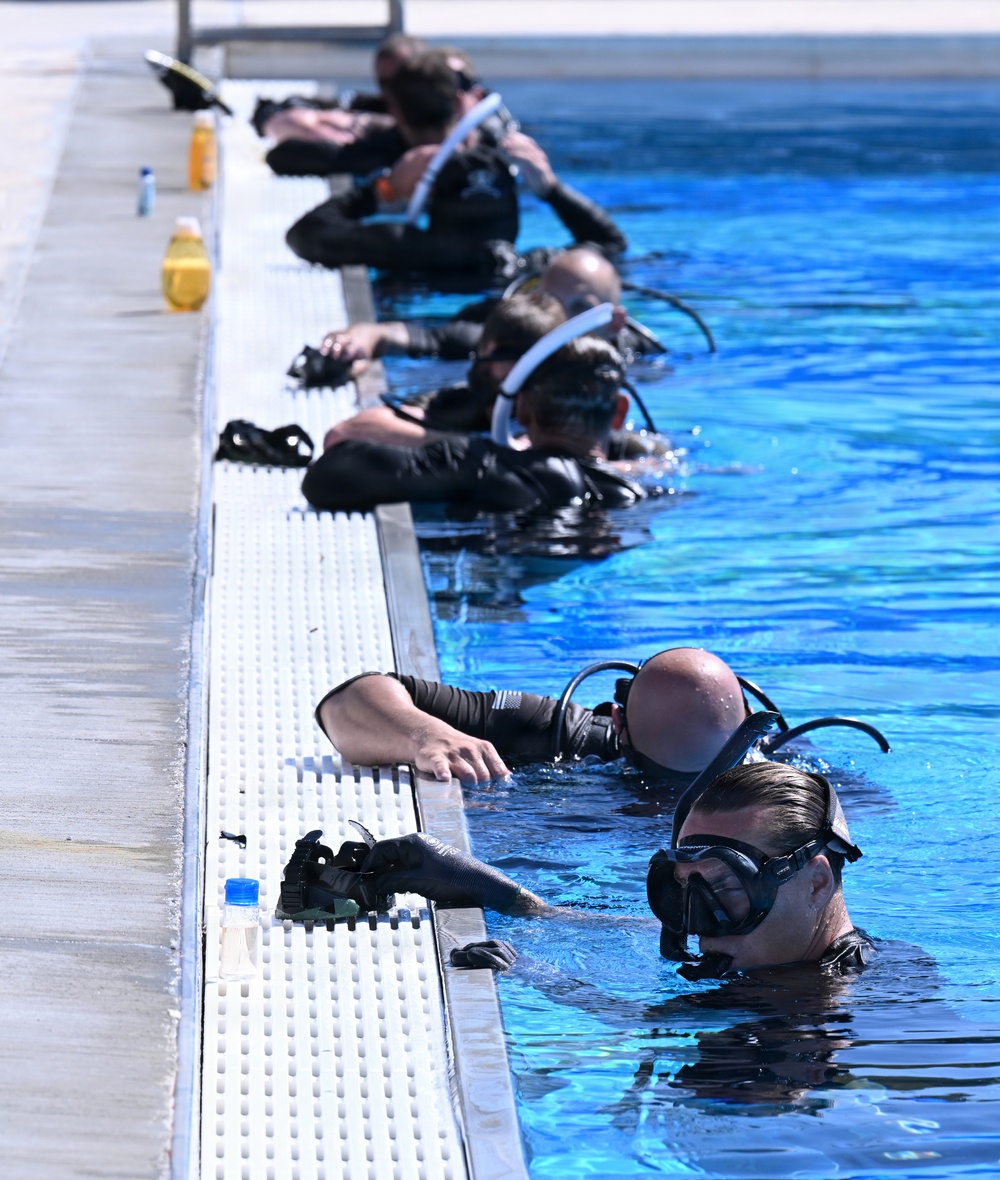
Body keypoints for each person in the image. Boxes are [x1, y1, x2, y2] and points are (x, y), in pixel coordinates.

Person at [311, 761, 875, 981]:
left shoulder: (855, 1004)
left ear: (816, 881)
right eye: (682, 888)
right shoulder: (772, 950)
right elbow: (603, 928)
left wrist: (544, 980)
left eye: (725, 886)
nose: (697, 924)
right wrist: (486, 888)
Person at [301, 335, 659, 514]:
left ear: (520, 408)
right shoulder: (636, 491)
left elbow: (327, 476)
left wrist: (482, 447)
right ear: (620, 412)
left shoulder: (480, 464)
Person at [317, 647, 747, 786]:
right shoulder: (771, 789)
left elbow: (345, 703)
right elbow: (352, 700)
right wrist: (428, 734)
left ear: (617, 720)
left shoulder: (554, 736)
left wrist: (420, 736)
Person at [285, 51, 521, 279]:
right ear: (460, 102)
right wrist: (544, 183)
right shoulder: (504, 155)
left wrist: (383, 190)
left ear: (395, 111)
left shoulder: (416, 248)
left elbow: (305, 233)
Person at [318, 246, 654, 379]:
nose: (560, 317)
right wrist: (361, 338)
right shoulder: (505, 343)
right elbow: (412, 335)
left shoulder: (644, 362)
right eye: (550, 300)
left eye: (580, 307)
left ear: (614, 322)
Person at [322, 292, 567, 450]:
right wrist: (477, 449)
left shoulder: (564, 421)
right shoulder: (461, 402)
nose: (498, 370)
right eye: (493, 361)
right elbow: (342, 433)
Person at [255, 34, 426, 177]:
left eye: (400, 81)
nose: (390, 90)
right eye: (383, 82)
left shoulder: (405, 137)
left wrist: (335, 127)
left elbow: (281, 156)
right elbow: (278, 110)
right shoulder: (372, 106)